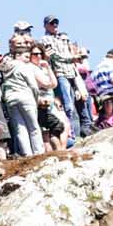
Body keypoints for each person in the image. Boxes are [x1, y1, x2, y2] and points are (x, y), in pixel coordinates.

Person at [38, 17, 82, 145]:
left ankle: (75, 135)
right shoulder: (45, 39)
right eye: (52, 23)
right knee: (67, 106)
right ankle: (71, 135)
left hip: (70, 73)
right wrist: (72, 58)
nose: (55, 25)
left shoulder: (61, 38)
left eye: (56, 22)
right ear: (45, 25)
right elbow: (55, 56)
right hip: (60, 73)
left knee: (72, 106)